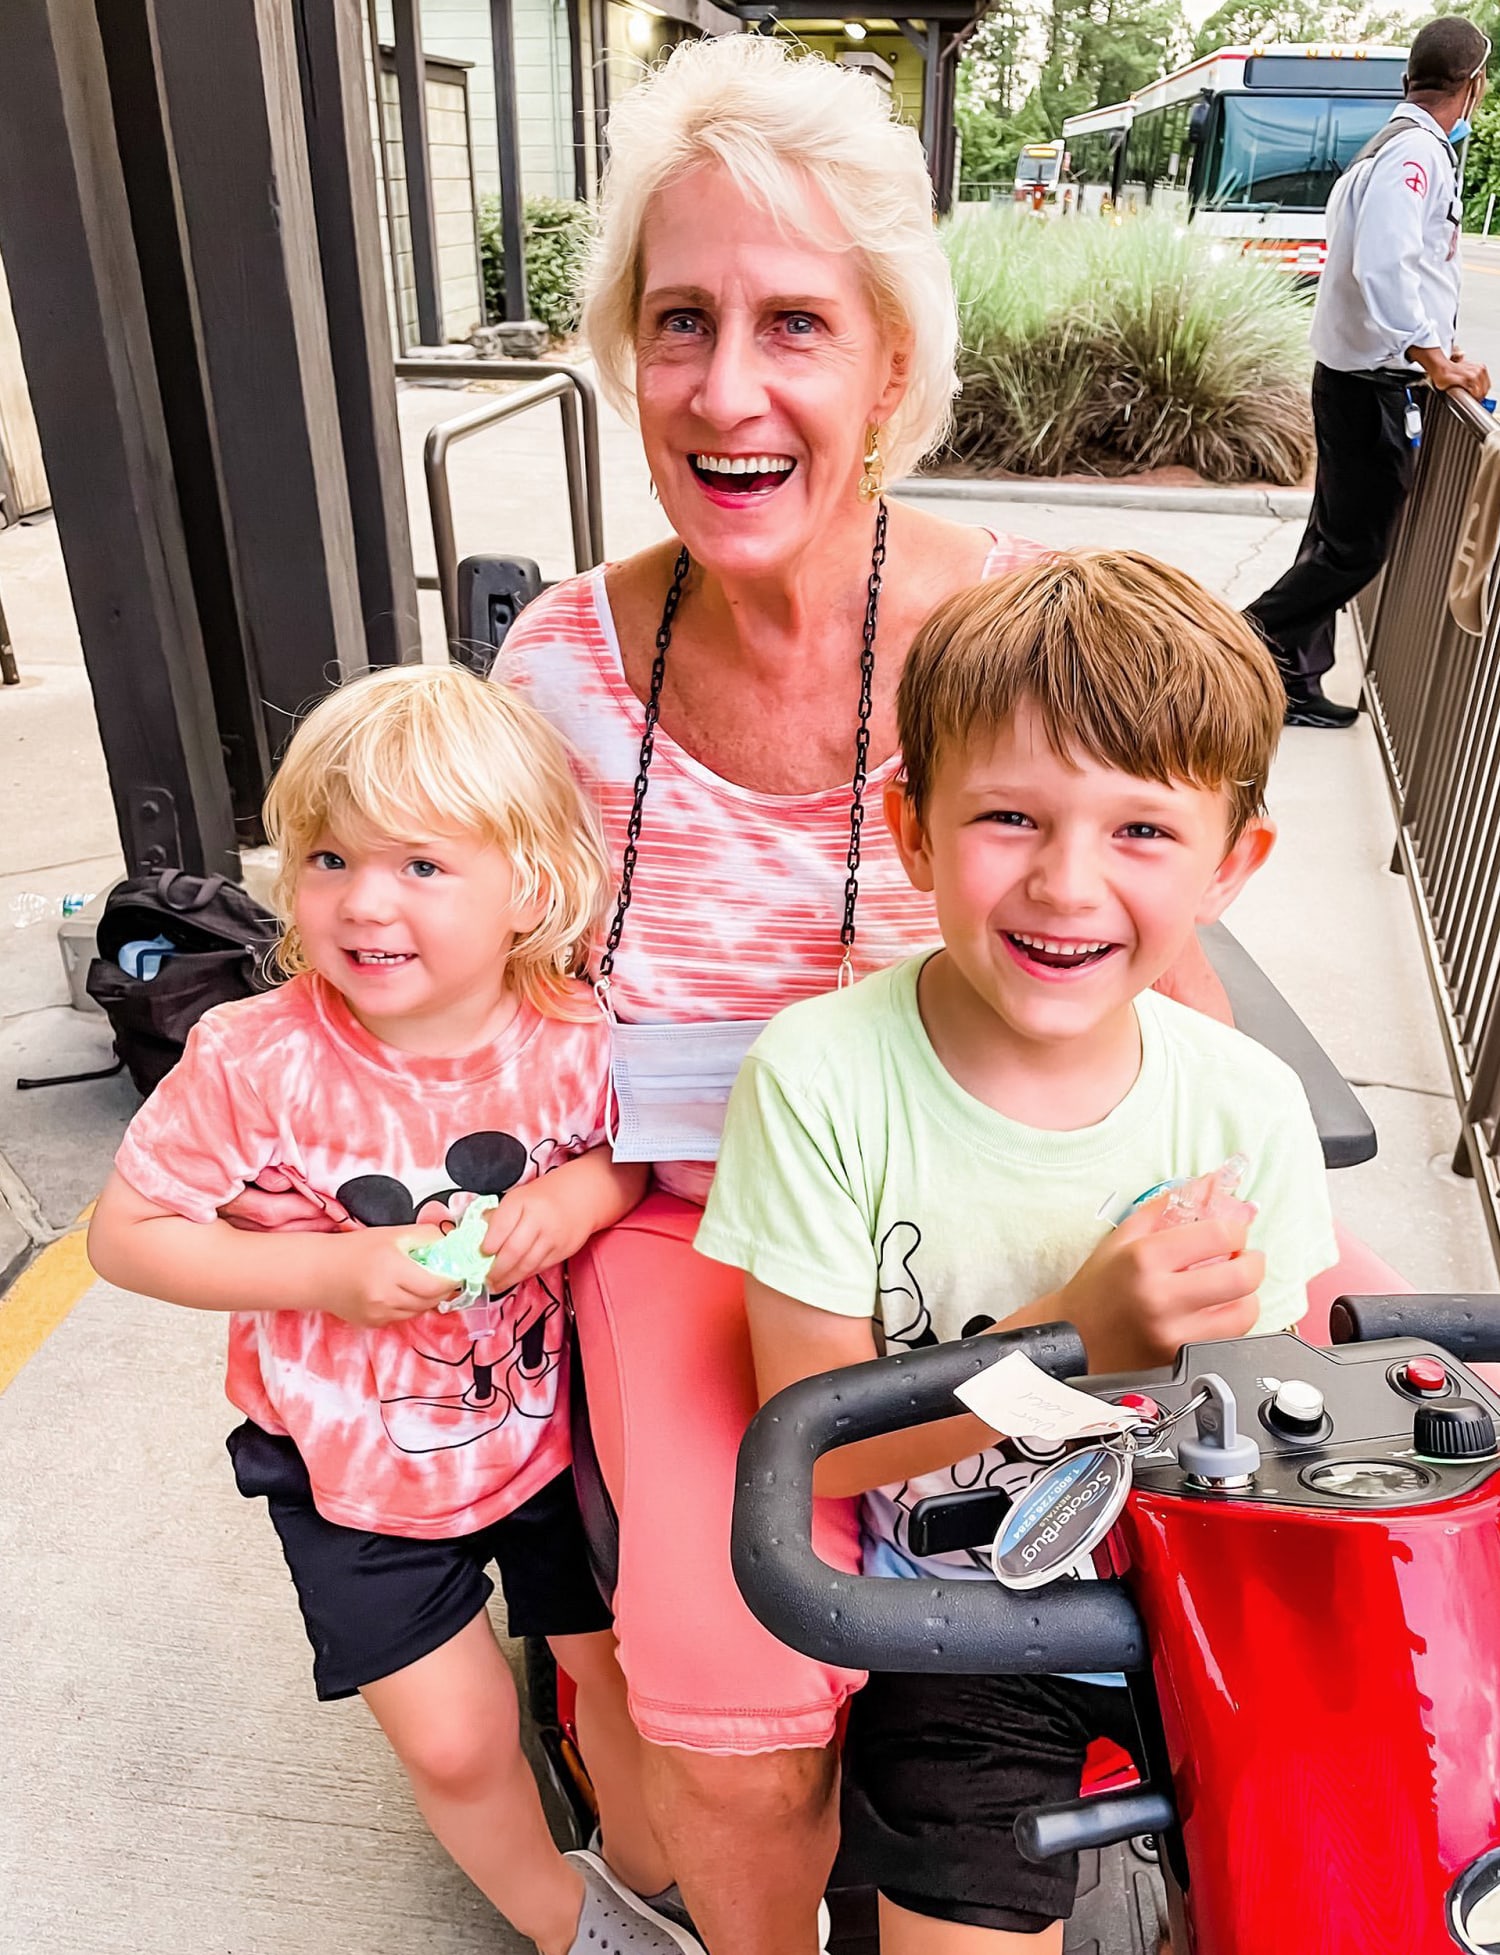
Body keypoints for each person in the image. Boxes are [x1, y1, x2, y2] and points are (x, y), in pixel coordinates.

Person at [219, 38, 1233, 1954]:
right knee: (744, 1720)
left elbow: (1168, 975)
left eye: (795, 323)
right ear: (623, 353)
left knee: (1097, 1661)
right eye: (680, 321)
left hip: (994, 1216)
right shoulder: (557, 671)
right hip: (685, 1234)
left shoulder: (1031, 635)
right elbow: (465, 1001)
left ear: (889, 368)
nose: (730, 388)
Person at [700, 550, 1339, 1954]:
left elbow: (1279, 1421)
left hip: (1207, 1591)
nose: (1065, 882)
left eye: (1142, 832)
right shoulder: (821, 1076)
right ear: (913, 828)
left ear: (1233, 863)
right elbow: (816, 1441)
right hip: (969, 1611)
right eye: (1010, 815)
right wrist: (1074, 1331)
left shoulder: (1244, 1102)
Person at [86, 666, 702, 1955]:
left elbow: (635, 1151)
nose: (364, 900)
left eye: (422, 863)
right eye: (328, 855)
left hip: (541, 1442)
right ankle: (566, 1923)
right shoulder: (256, 1058)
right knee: (456, 1733)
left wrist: (584, 1195)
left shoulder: (575, 1032)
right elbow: (126, 1236)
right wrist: (328, 1273)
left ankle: (644, 1887)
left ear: (530, 887)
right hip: (343, 1471)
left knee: (620, 1684)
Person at [1244, 15, 1492, 730]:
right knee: (1356, 551)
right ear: (1472, 87)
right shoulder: (1416, 155)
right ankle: (1234, 646)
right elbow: (1385, 265)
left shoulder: (1388, 145)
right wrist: (1434, 358)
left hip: (1353, 378)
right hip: (1370, 385)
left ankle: (1293, 675)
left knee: (1331, 538)